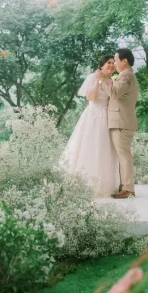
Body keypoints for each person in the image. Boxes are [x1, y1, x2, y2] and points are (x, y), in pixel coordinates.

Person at [63, 55, 119, 198]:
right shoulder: (92, 78)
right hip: (92, 116)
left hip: (106, 117)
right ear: (102, 65)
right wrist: (98, 80)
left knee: (104, 149)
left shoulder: (112, 82)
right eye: (109, 63)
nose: (111, 65)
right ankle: (84, 183)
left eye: (113, 63)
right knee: (88, 147)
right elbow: (91, 98)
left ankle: (103, 184)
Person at [97, 48, 139, 199]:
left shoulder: (126, 76)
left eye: (115, 60)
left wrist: (101, 80)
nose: (114, 63)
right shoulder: (125, 76)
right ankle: (125, 186)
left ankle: (127, 188)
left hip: (122, 122)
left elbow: (115, 93)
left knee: (123, 155)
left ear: (124, 61)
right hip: (122, 121)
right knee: (123, 154)